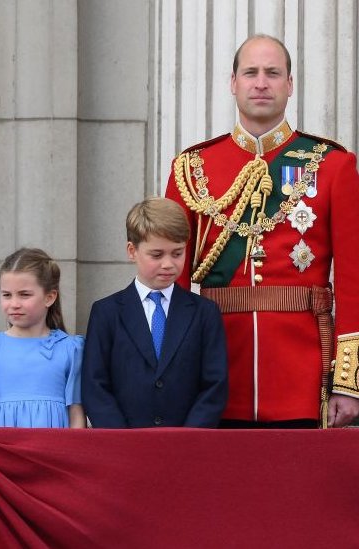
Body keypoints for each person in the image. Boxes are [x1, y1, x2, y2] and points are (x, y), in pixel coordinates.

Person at [164, 34, 359, 428]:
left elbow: (354, 281)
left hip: (303, 374)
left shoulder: (332, 166)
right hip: (215, 371)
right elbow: (174, 281)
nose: (261, 82)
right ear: (232, 83)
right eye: (250, 72)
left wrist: (347, 382)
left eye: (273, 73)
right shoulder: (192, 167)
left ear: (290, 84)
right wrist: (177, 371)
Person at [81, 198, 229, 428]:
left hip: (187, 446)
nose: (169, 264)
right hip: (124, 446)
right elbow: (95, 384)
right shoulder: (106, 313)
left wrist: (189, 437)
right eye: (157, 255)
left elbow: (214, 384)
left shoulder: (204, 313)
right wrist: (121, 439)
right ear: (132, 251)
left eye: (177, 253)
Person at [0, 248, 85, 428]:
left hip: (51, 452)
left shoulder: (71, 348)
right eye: (6, 295)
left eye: (24, 294)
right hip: (0, 452)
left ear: (49, 297)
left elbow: (76, 415)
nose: (14, 304)